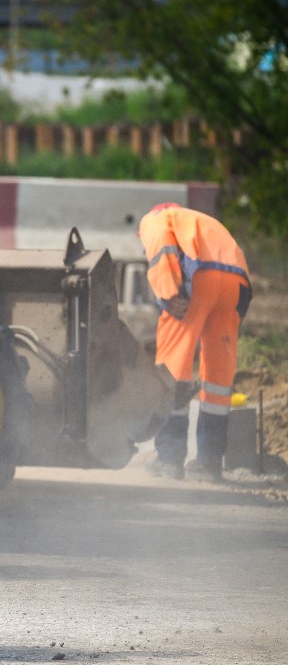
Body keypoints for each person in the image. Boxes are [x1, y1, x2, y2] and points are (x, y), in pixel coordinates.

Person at [138, 203, 251, 482]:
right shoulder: (201, 221)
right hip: (236, 285)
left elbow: (161, 246)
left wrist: (169, 294)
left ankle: (169, 459)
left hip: (199, 278)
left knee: (172, 368)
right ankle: (209, 464)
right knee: (218, 378)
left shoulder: (155, 218)